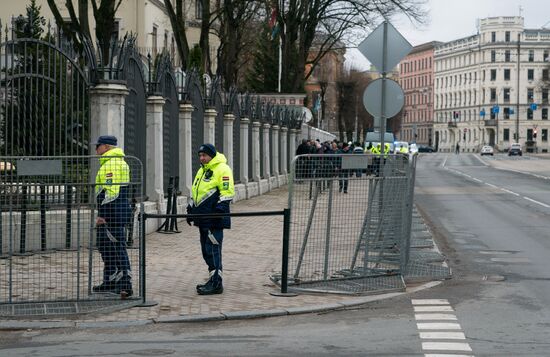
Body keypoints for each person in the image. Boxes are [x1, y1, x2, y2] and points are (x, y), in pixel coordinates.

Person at [187, 143, 234, 295]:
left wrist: (218, 211)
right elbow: (196, 192)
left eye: (204, 155)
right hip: (202, 218)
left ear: (211, 155)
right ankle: (212, 278)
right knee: (206, 251)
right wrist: (191, 210)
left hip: (214, 218)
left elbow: (227, 192)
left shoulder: (222, 168)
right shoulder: (202, 170)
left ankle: (216, 284)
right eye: (200, 156)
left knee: (212, 249)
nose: (202, 158)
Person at [93, 135, 133, 297]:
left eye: (98, 145)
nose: (96, 148)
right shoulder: (109, 162)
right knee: (105, 247)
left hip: (113, 214)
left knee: (117, 248)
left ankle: (125, 284)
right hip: (113, 212)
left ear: (107, 147)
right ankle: (110, 280)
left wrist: (103, 215)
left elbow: (112, 193)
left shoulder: (113, 164)